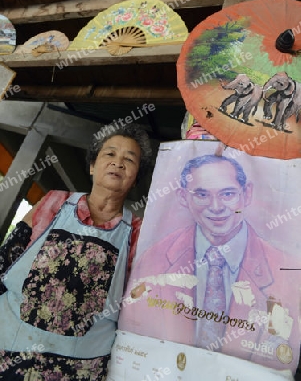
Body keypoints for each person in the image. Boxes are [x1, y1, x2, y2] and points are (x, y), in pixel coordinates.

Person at [119, 154, 301, 373]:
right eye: (202, 194)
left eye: (227, 194)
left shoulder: (287, 271)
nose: (216, 207)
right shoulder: (153, 260)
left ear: (247, 193)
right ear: (183, 197)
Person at [0, 123, 152, 380]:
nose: (118, 163)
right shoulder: (52, 201)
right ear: (93, 166)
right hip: (10, 348)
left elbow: (136, 305)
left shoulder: (139, 231)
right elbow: (7, 257)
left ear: (136, 177)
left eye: (129, 159)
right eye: (110, 154)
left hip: (80, 367)